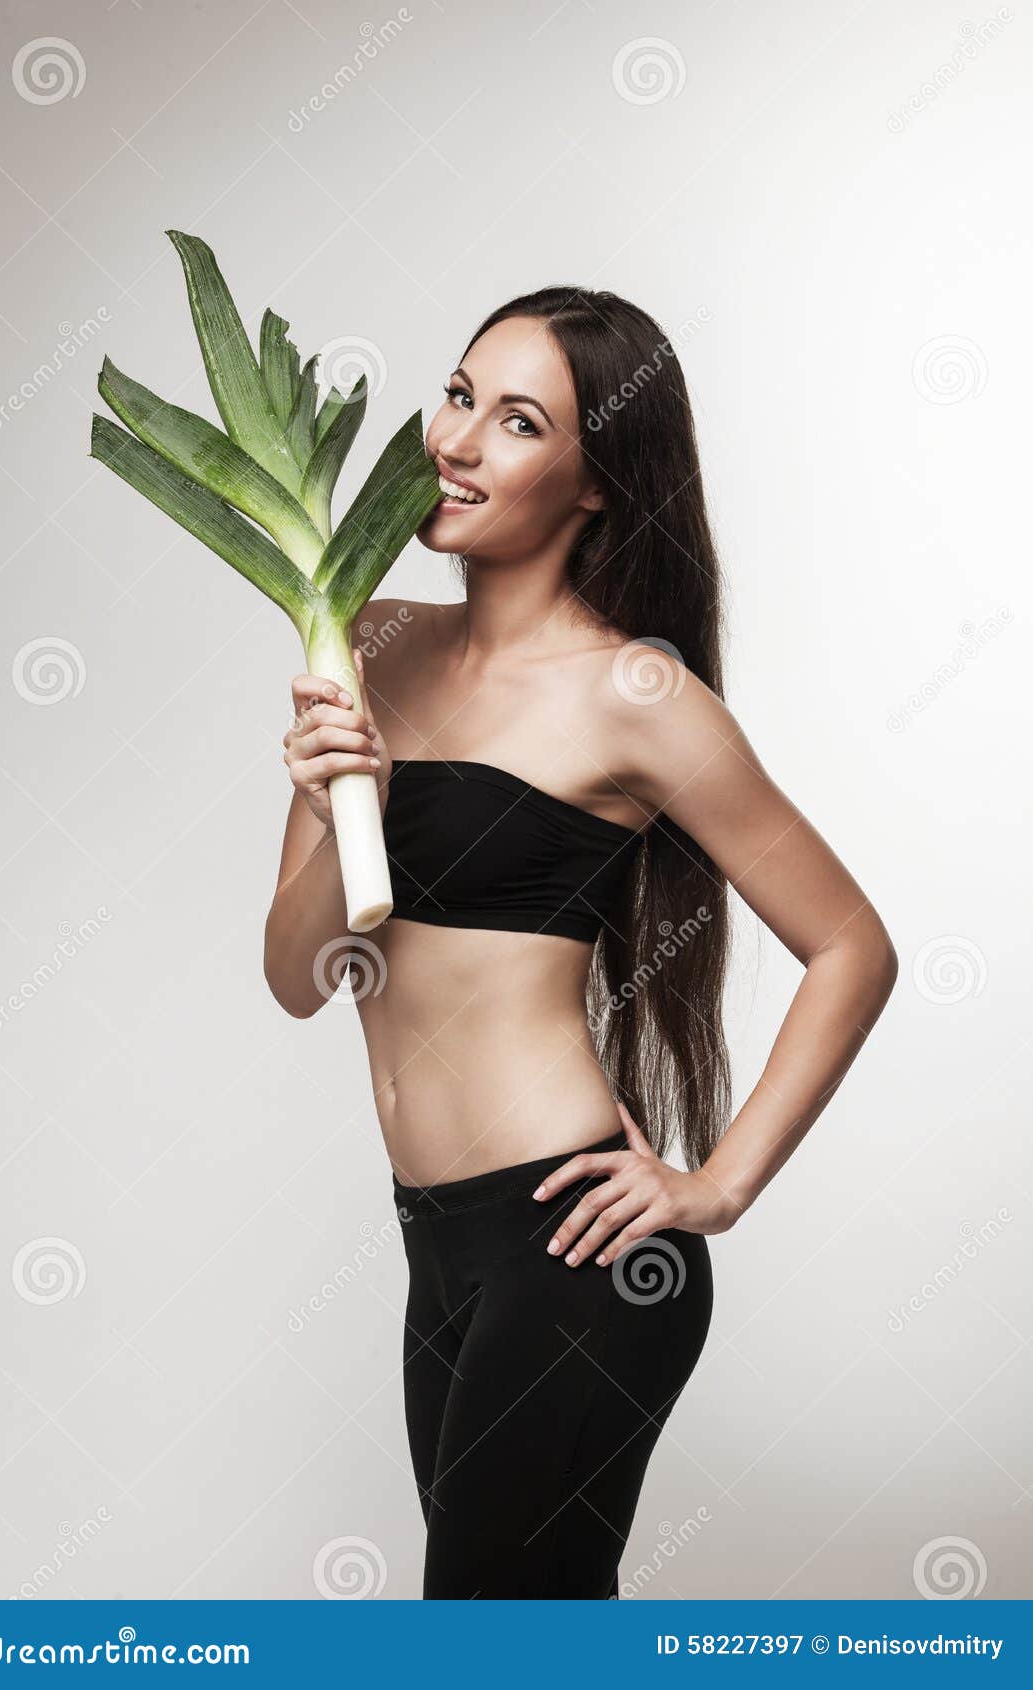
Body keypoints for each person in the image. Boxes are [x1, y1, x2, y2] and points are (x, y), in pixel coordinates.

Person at [263, 288, 898, 1599]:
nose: (458, 441)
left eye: (518, 420)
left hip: (575, 1254)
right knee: (527, 1635)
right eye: (456, 395)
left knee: (485, 1635)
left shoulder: (638, 693)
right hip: (432, 1247)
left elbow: (852, 943)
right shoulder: (368, 639)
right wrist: (348, 809)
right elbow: (294, 977)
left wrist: (716, 1186)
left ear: (598, 481)